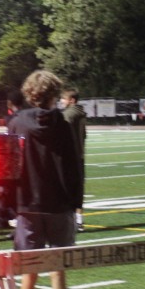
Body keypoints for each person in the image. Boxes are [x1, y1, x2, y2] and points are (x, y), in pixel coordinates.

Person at [7, 70, 83, 289]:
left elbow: (8, 164)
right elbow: (73, 166)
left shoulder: (16, 122)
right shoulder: (62, 124)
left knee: (29, 275)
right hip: (58, 205)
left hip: (27, 205)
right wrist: (76, 203)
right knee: (58, 272)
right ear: (54, 94)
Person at [61, 88, 87, 233]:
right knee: (79, 189)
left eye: (64, 98)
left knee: (67, 189)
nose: (62, 101)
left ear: (71, 100)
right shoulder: (81, 113)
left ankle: (69, 221)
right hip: (79, 156)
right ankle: (79, 220)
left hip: (69, 158)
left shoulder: (68, 115)